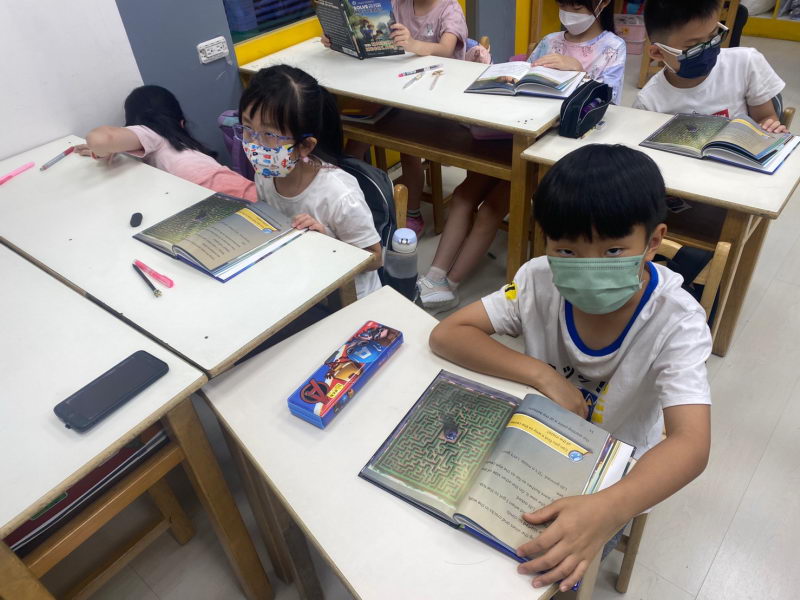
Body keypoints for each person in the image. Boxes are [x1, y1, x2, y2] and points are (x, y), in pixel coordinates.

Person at [429, 145, 712, 592]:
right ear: (545, 241)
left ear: (653, 242)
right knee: (448, 527)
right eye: (567, 250)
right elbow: (448, 334)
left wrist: (610, 508)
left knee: (544, 573)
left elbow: (691, 444)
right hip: (534, 441)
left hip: (616, 476)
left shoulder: (678, 322)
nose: (589, 268)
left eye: (614, 250)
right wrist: (542, 375)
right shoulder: (537, 279)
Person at [417, 0, 626, 310]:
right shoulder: (549, 41)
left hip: (553, 150)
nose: (569, 13)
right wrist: (500, 76)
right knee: (462, 195)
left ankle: (452, 283)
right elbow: (523, 81)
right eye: (564, 5)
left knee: (491, 209)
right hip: (516, 136)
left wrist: (580, 70)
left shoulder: (613, 47)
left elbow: (611, 103)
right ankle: (435, 275)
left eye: (577, 7)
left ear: (602, 3)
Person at [322, 0, 468, 236]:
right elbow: (375, 38)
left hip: (435, 99)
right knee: (355, 141)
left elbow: (447, 49)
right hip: (395, 90)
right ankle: (351, 205)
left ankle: (412, 212)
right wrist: (340, 39)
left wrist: (413, 44)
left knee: (408, 151)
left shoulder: (449, 8)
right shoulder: (398, 4)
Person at [238, 65, 383, 299]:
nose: (254, 144)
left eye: (269, 135)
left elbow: (375, 258)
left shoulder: (339, 194)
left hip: (348, 297)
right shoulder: (265, 175)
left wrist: (326, 240)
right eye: (247, 128)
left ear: (305, 146)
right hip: (302, 282)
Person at [76, 85, 256, 201]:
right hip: (234, 192)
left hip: (234, 198)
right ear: (181, 123)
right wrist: (113, 148)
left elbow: (100, 140)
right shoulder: (177, 145)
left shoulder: (152, 133)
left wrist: (103, 149)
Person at [634, 0, 787, 133]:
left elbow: (765, 118)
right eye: (693, 47)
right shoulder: (648, 103)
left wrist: (770, 127)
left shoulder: (745, 63)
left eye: (713, 36)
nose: (707, 50)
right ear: (658, 53)